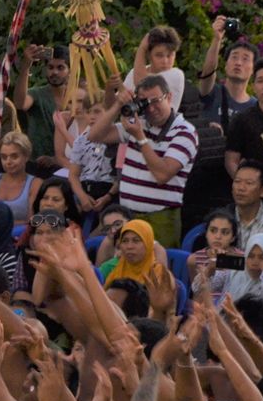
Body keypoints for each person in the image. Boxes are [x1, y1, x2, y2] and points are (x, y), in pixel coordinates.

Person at [88, 74, 198, 248]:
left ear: (169, 97)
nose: (151, 108)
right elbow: (94, 135)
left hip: (161, 219)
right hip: (128, 217)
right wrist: (118, 105)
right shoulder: (139, 123)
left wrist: (140, 138)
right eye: (145, 102)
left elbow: (162, 174)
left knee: (157, 272)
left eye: (156, 101)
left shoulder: (184, 132)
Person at [54, 84, 118, 216]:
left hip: (110, 192)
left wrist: (108, 197)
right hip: (85, 191)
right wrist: (82, 196)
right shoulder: (81, 140)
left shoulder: (119, 138)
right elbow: (73, 174)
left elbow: (122, 175)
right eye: (88, 112)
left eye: (97, 111)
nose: (92, 116)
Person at [11, 43, 70, 165]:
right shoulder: (37, 94)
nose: (54, 72)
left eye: (60, 68)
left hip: (70, 164)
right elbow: (20, 103)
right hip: (38, 163)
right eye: (50, 67)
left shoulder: (78, 97)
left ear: (71, 70)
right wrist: (26, 67)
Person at [198, 20, 257, 131]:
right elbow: (207, 74)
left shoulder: (255, 108)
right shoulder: (211, 93)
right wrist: (217, 39)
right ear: (225, 65)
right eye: (234, 57)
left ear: (253, 69)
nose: (238, 63)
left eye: (245, 59)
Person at [125, 25, 186, 112]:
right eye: (159, 55)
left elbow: (142, 85)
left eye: (170, 55)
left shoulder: (176, 74)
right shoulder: (134, 72)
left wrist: (141, 49)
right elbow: (113, 103)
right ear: (149, 55)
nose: (165, 61)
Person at [0, 132, 37, 226]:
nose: (8, 162)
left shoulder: (35, 184)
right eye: (4, 157)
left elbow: (31, 223)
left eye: (14, 156)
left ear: (26, 156)